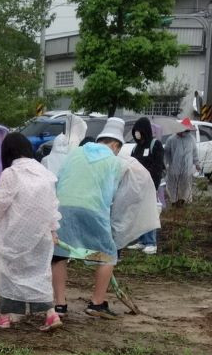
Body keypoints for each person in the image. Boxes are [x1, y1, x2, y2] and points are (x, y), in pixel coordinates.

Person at [51, 116, 155, 320]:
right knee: (108, 253)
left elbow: (60, 178)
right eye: (118, 148)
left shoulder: (75, 153)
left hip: (62, 206)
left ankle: (59, 305)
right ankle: (97, 303)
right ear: (115, 144)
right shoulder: (114, 161)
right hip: (92, 208)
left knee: (59, 253)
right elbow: (115, 194)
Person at [0, 132, 62, 331]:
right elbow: (52, 204)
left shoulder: (12, 173)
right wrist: (53, 229)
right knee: (39, 273)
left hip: (16, 233)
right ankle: (50, 314)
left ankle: (5, 316)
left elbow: (1, 201)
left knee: (8, 271)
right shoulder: (44, 171)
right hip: (41, 233)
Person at [126, 117, 164, 254]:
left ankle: (151, 242)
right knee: (139, 213)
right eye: (135, 131)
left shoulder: (155, 145)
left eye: (139, 131)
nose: (137, 134)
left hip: (151, 185)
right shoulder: (136, 148)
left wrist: (154, 184)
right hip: (137, 186)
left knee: (149, 213)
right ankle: (142, 240)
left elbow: (158, 167)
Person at [162, 118, 198, 206]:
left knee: (185, 186)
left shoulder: (191, 139)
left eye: (188, 130)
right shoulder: (171, 140)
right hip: (174, 168)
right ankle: (174, 201)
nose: (186, 132)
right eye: (185, 130)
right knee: (173, 186)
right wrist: (166, 165)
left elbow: (194, 153)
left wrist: (197, 164)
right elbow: (166, 153)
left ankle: (184, 201)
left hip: (187, 168)